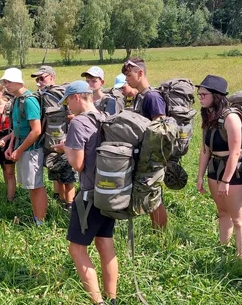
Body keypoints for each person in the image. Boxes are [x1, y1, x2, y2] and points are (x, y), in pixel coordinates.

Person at [53, 81, 117, 305]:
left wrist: (66, 149)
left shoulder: (79, 122)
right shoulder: (104, 117)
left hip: (90, 195)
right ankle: (112, 298)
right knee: (105, 243)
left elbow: (78, 165)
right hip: (110, 192)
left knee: (77, 248)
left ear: (77, 97)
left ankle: (97, 302)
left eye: (68, 101)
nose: (68, 107)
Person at [195, 75, 242, 258]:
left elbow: (235, 152)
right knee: (223, 211)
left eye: (203, 94)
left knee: (238, 218)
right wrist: (200, 176)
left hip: (232, 171)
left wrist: (226, 180)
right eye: (199, 94)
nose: (200, 97)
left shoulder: (231, 117)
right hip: (213, 169)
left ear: (216, 95)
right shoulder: (209, 116)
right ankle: (224, 248)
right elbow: (205, 150)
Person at [122, 57, 168, 229]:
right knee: (149, 196)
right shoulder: (139, 96)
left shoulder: (152, 97)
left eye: (129, 74)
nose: (126, 78)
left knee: (154, 198)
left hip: (152, 156)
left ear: (140, 73)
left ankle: (162, 236)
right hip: (142, 154)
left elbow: (161, 129)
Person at [2, 68, 48, 225]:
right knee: (31, 186)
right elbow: (17, 126)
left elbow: (36, 131)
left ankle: (40, 221)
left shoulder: (29, 101)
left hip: (31, 149)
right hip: (22, 147)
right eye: (4, 82)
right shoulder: (17, 100)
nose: (6, 85)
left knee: (36, 186)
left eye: (8, 81)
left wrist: (19, 150)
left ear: (18, 82)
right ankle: (37, 217)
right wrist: (11, 146)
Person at [31, 65, 76, 209]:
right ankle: (59, 203)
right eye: (37, 79)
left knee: (68, 178)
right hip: (49, 144)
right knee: (56, 176)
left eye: (42, 78)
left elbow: (73, 116)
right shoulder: (39, 96)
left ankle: (69, 207)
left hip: (65, 143)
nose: (39, 82)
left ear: (52, 77)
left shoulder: (61, 94)